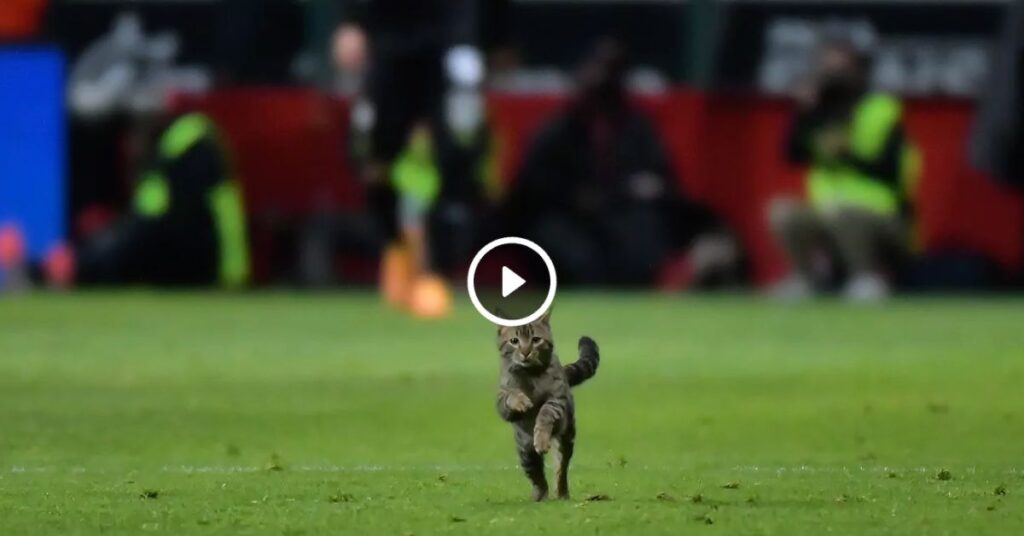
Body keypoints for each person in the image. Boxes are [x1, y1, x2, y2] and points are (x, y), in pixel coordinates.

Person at [502, 40, 742, 288]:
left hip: (621, 212)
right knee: (571, 248)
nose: (600, 79)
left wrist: (633, 189)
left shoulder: (636, 127)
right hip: (566, 216)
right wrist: (576, 197)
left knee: (643, 233)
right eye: (596, 69)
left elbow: (661, 177)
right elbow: (531, 186)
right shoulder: (559, 129)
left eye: (610, 70)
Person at [333, 0, 487, 318]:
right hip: (389, 49)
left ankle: (434, 273)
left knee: (453, 161)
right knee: (374, 161)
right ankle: (397, 254)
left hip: (445, 48)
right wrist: (352, 21)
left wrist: (471, 41)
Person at [768, 42, 921, 301]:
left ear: (859, 72)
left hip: (883, 218)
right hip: (828, 213)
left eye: (841, 69)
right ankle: (805, 279)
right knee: (784, 212)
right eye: (827, 69)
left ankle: (866, 279)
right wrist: (803, 111)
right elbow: (792, 155)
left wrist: (846, 155)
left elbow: (891, 172)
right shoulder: (818, 112)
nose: (834, 76)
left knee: (843, 212)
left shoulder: (880, 109)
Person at [76, 113, 250, 288]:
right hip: (213, 271)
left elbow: (140, 228)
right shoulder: (205, 147)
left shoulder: (164, 165)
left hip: (188, 274)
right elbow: (228, 215)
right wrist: (234, 273)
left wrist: (83, 266)